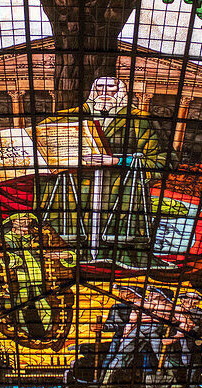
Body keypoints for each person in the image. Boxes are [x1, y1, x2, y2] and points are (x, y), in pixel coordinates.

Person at [40, 77, 172, 272]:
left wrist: (117, 161)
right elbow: (39, 141)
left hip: (118, 191)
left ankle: (115, 255)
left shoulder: (140, 120)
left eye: (111, 88)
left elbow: (162, 161)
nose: (104, 92)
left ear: (122, 93)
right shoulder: (65, 117)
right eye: (99, 87)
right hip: (75, 190)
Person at [99, 286, 174, 388]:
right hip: (138, 330)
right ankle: (106, 381)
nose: (150, 295)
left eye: (154, 293)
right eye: (150, 293)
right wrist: (125, 335)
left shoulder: (168, 307)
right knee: (121, 354)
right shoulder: (143, 304)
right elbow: (132, 321)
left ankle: (174, 381)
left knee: (161, 354)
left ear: (163, 297)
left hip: (154, 331)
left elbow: (174, 319)